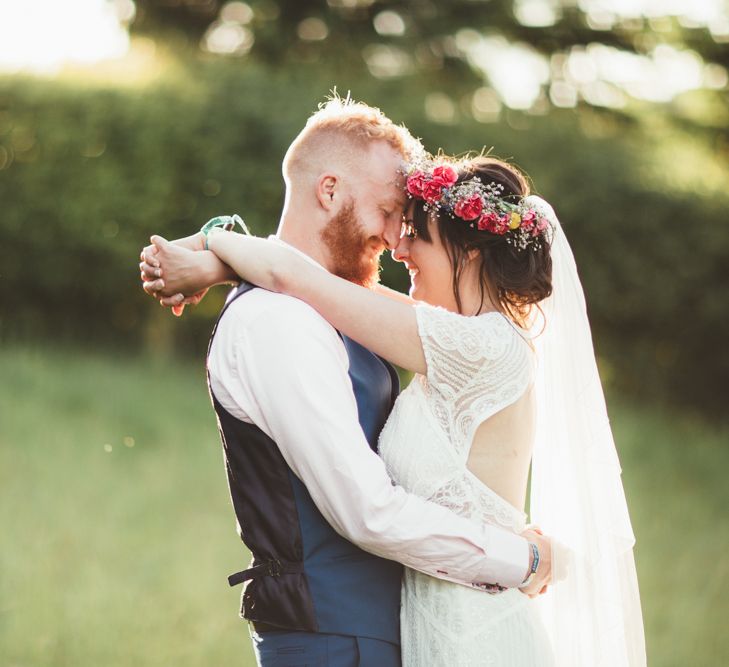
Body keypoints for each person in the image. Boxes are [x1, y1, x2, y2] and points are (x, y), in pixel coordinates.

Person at [143, 147, 646, 665]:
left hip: (475, 638)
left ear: (467, 252)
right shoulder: (461, 339)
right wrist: (218, 257)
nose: (398, 248)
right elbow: (321, 285)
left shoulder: (485, 349)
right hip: (432, 630)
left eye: (416, 235)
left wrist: (211, 244)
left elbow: (301, 279)